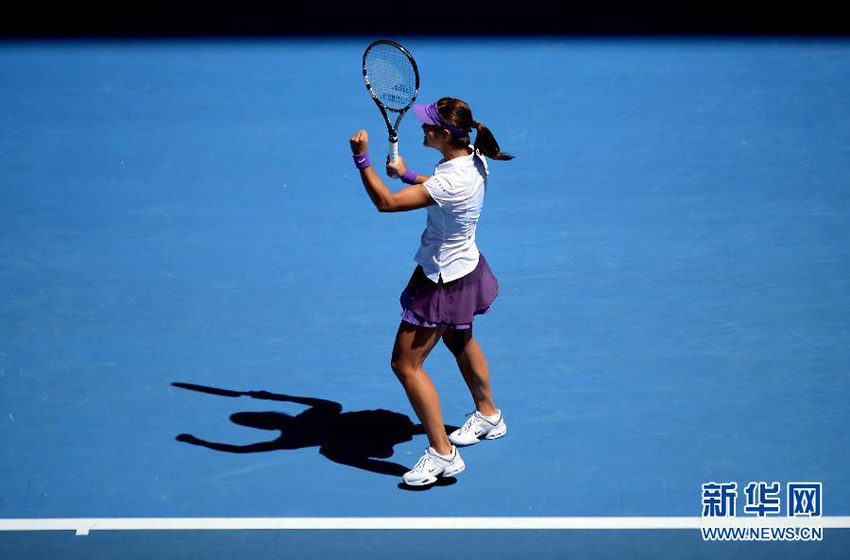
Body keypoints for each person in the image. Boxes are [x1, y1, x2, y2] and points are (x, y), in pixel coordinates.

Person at [348, 97, 513, 486]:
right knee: (459, 339)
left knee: (405, 365)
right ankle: (489, 415)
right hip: (467, 268)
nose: (422, 128)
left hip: (441, 281)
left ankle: (443, 453)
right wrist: (409, 175)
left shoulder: (450, 180)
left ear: (445, 134)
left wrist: (362, 159)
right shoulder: (474, 158)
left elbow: (386, 203)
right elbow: (439, 189)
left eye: (428, 125)